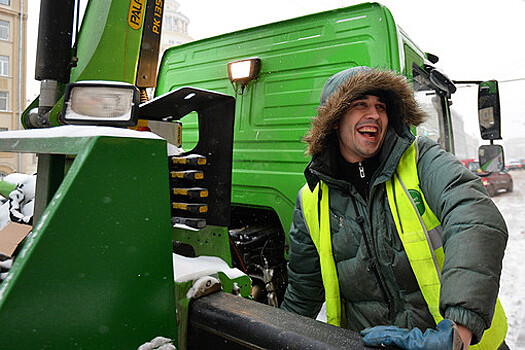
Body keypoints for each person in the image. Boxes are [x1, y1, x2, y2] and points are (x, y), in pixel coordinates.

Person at [280, 66, 509, 349]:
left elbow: (475, 216)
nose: (374, 114)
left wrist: (457, 333)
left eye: (381, 107)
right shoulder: (311, 200)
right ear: (335, 120)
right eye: (360, 104)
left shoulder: (421, 160)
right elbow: (302, 295)